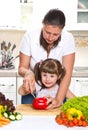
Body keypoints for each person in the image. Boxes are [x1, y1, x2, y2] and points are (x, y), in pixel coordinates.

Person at [18, 8, 75, 109]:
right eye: (47, 32)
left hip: (58, 93)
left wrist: (58, 100)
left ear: (62, 29)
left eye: (56, 34)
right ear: (43, 23)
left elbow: (67, 73)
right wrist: (28, 73)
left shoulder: (68, 38)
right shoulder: (30, 36)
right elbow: (22, 67)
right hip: (32, 90)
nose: (50, 38)